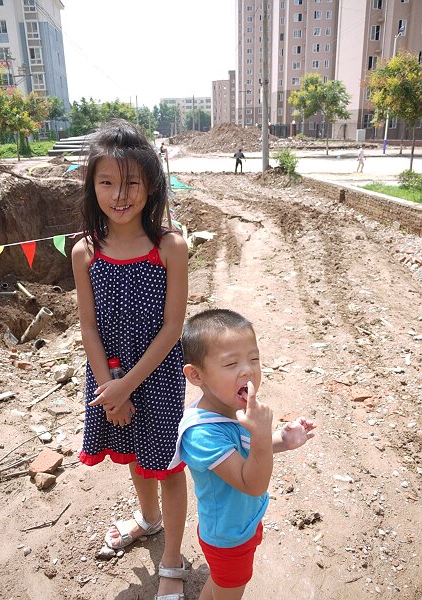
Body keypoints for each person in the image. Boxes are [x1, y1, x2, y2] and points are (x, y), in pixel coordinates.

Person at [71, 119, 189, 600]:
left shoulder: (170, 247)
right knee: (136, 458)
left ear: (150, 184)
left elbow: (172, 327)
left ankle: (173, 561)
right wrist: (109, 389)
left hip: (157, 378)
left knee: (168, 465)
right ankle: (148, 519)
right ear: (92, 185)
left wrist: (126, 386)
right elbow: (89, 327)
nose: (119, 194)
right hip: (108, 377)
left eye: (131, 182)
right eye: (107, 182)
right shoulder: (84, 251)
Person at [169, 309, 316, 600]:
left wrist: (281, 440)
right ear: (196, 375)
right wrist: (261, 433)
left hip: (241, 524)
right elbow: (253, 483)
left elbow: (244, 451)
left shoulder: (231, 411)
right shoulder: (202, 434)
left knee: (221, 586)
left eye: (254, 359)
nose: (247, 370)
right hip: (228, 538)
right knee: (229, 591)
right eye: (231, 363)